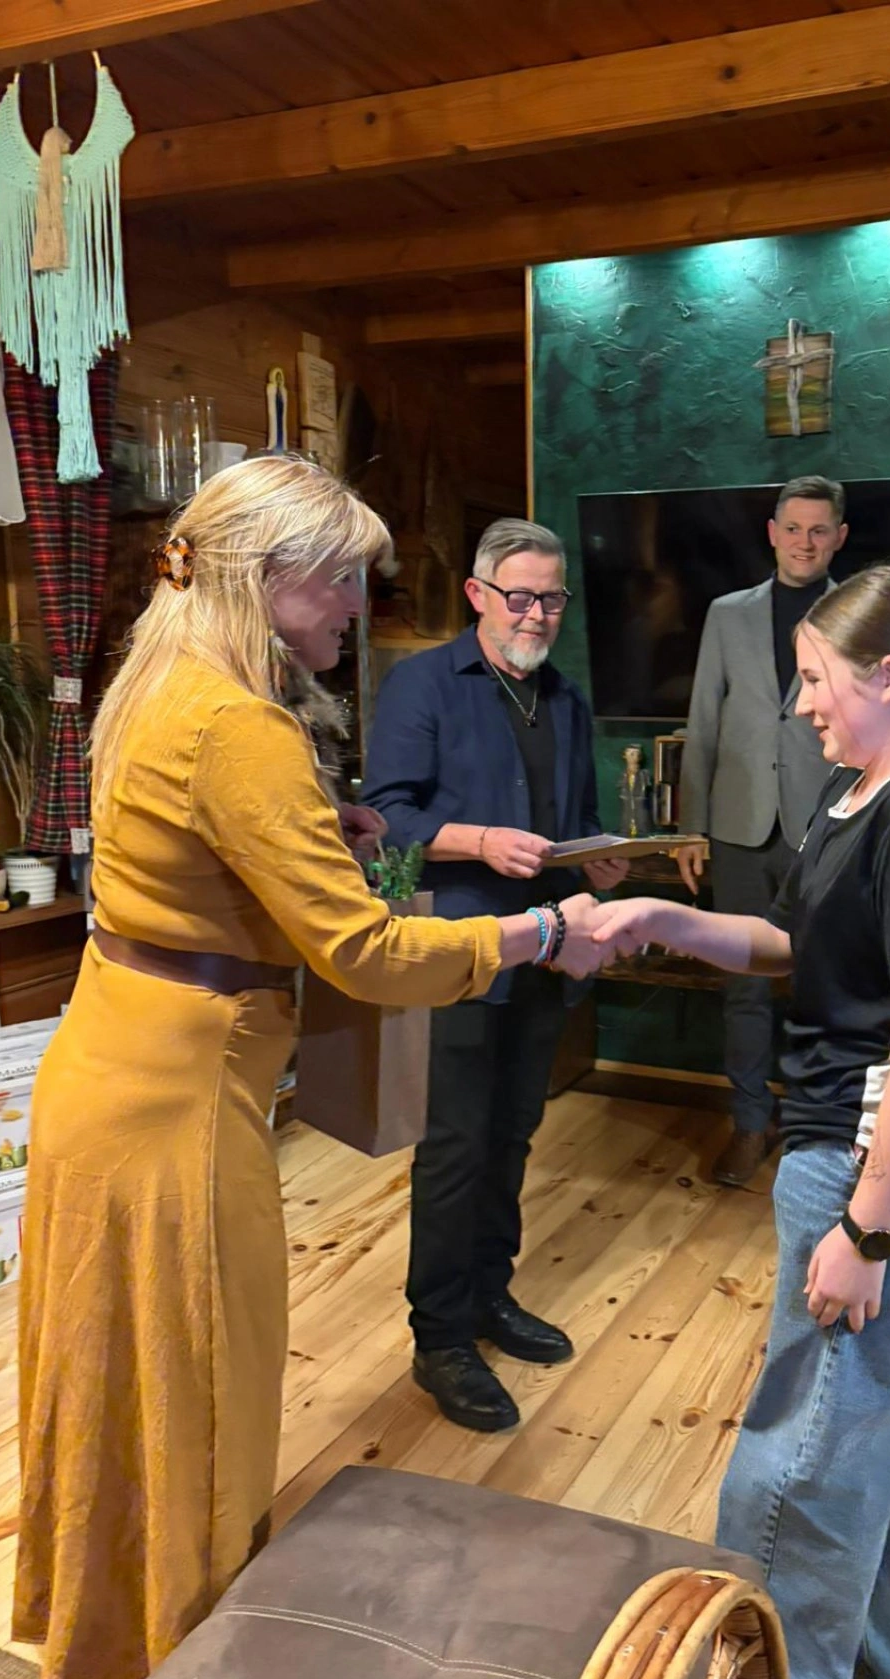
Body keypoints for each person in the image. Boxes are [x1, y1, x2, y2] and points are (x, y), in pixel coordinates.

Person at [12, 458, 607, 1679]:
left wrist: (315, 836)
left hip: (109, 1071)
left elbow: (184, 863)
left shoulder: (160, 680)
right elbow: (368, 953)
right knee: (202, 1403)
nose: (355, 604)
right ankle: (177, 1660)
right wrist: (538, 932)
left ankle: (108, 1646)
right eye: (338, 579)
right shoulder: (241, 726)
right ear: (262, 576)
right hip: (175, 1113)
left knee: (124, 1390)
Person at [592, 565, 890, 1679]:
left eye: (815, 679)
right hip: (848, 1146)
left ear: (889, 677)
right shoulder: (863, 788)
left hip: (879, 1168)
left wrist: (867, 1231)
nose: (798, 704)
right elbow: (799, 945)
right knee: (876, 1417)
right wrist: (662, 915)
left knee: (803, 1452)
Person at [363, 518, 628, 1433]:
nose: (538, 613)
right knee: (454, 1146)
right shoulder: (422, 685)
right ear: (478, 594)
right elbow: (383, 818)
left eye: (552, 597)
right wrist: (477, 840)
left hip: (545, 953)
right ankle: (439, 1336)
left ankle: (489, 1295)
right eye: (520, 596)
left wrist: (599, 860)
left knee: (512, 1134)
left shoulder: (567, 699)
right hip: (459, 954)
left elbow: (576, 819)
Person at [677, 475, 848, 1185]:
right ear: (772, 533)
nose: (805, 542)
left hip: (826, 828)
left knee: (824, 990)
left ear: (839, 537)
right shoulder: (727, 615)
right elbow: (704, 722)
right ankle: (750, 1121)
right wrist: (691, 827)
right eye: (793, 528)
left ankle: (815, 1130)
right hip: (739, 828)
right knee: (742, 990)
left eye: (819, 529)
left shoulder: (857, 613)